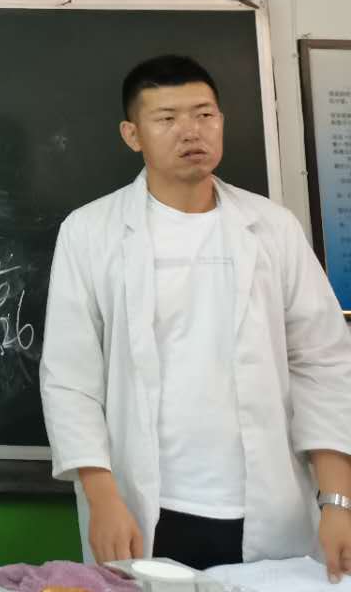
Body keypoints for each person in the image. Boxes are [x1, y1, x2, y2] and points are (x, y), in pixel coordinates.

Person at [40, 54, 351, 575]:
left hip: (270, 505)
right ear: (132, 134)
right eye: (166, 118)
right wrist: (103, 497)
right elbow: (70, 378)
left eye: (204, 114)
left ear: (221, 121)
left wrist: (338, 501)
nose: (191, 131)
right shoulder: (90, 232)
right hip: (145, 507)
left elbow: (323, 363)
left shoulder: (272, 227)